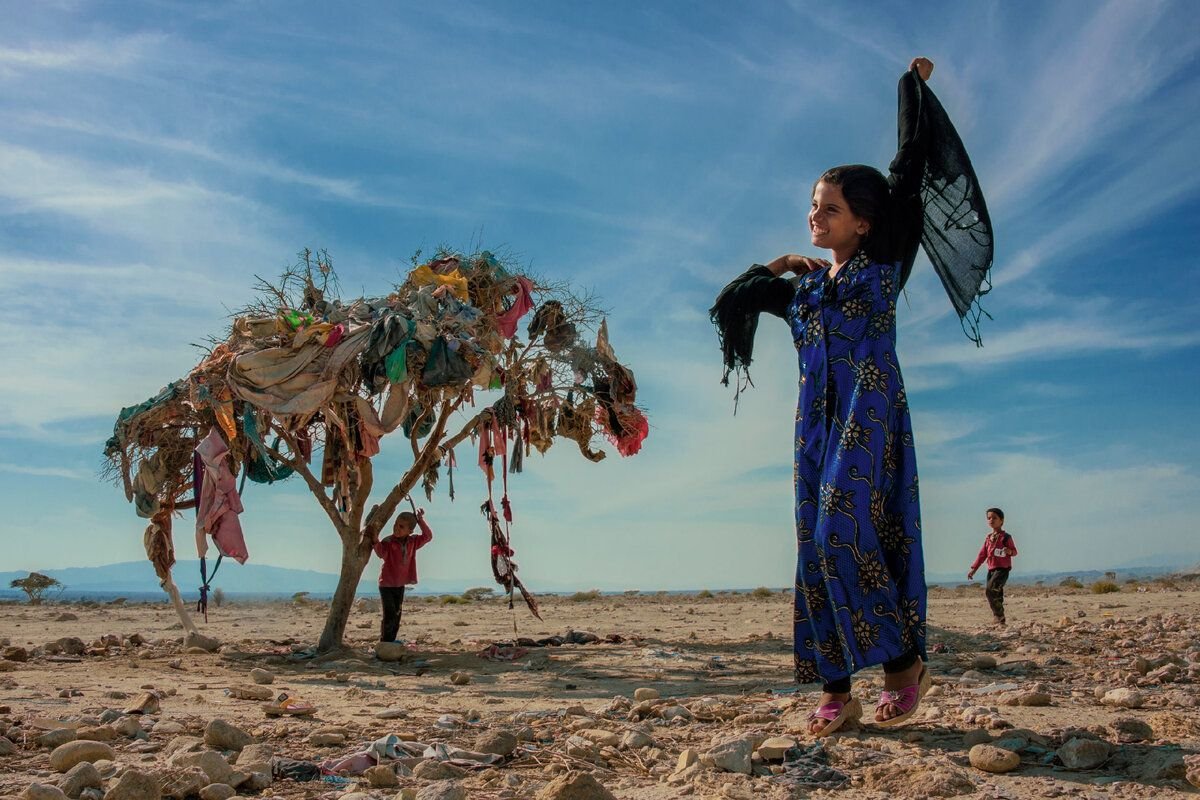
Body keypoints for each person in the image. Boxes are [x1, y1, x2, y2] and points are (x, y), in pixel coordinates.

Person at [710, 55, 994, 737]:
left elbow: (911, 164)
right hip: (815, 425)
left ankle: (901, 665)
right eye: (812, 205)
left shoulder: (883, 262)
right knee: (816, 546)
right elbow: (728, 306)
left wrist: (910, 88)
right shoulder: (801, 290)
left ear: (864, 222)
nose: (815, 213)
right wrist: (775, 264)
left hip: (870, 417)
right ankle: (837, 689)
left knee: (847, 532)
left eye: (829, 207)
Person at [372, 509, 433, 643]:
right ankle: (385, 642)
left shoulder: (413, 542)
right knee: (389, 614)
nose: (396, 528)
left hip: (400, 585)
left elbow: (428, 536)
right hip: (386, 585)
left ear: (410, 531)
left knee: (397, 614)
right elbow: (381, 553)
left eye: (401, 526)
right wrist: (376, 540)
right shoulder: (388, 541)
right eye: (395, 524)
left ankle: (391, 641)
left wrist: (420, 520)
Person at [968, 508, 1017, 626]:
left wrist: (1009, 551)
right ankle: (1000, 619)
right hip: (991, 569)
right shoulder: (988, 538)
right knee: (996, 594)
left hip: (1002, 569)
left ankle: (998, 615)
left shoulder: (1006, 537)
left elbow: (1015, 552)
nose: (991, 520)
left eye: (994, 518)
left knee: (990, 590)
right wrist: (973, 569)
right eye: (989, 518)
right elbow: (982, 554)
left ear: (1001, 520)